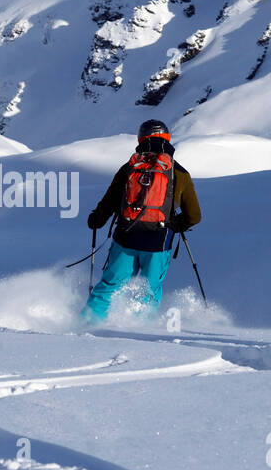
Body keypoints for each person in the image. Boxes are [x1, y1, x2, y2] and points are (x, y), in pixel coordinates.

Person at [81, 119, 201, 324]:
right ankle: (138, 330)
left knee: (111, 284)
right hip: (158, 242)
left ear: (141, 139)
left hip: (125, 238)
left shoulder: (130, 167)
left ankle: (87, 324)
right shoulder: (178, 172)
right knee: (148, 290)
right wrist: (175, 225)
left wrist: (96, 220)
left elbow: (109, 203)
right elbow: (194, 216)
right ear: (167, 138)